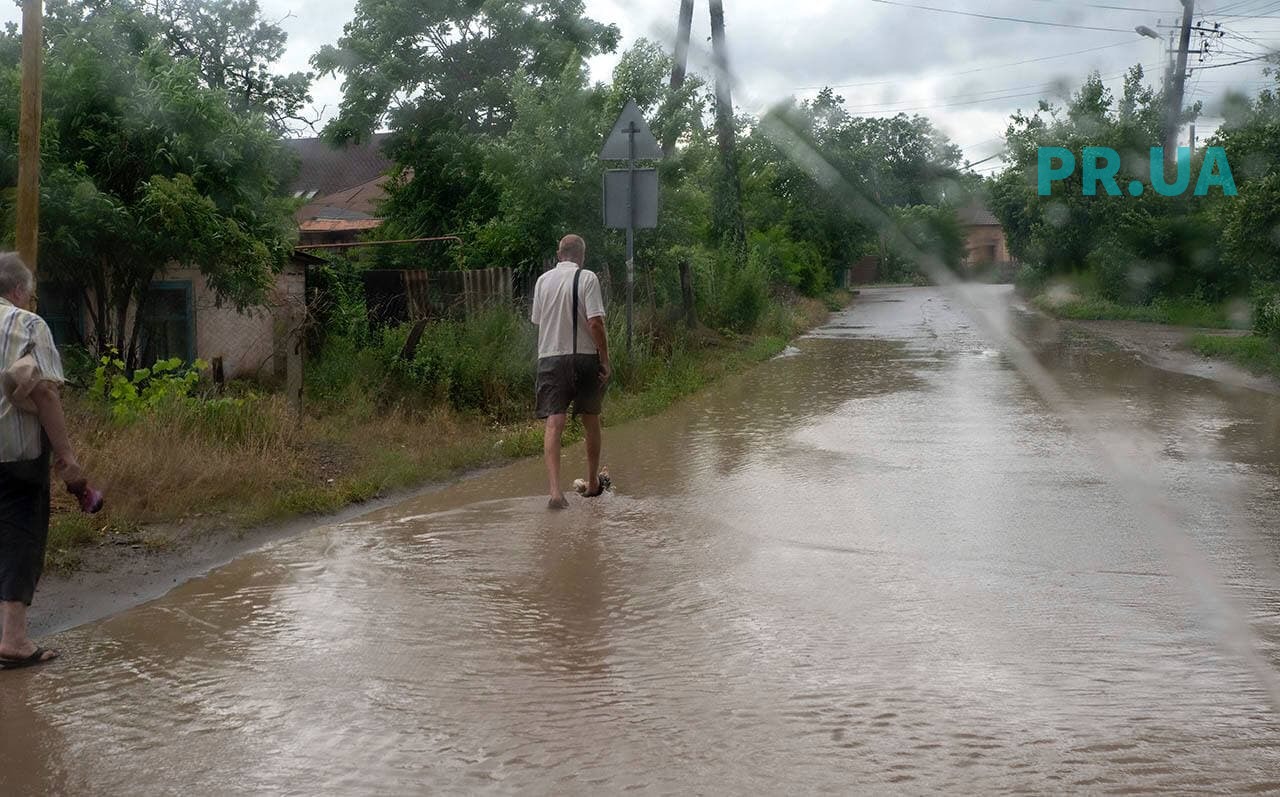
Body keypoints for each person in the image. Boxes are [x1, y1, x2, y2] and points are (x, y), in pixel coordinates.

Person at [0, 252, 85, 670]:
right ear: (18, 291)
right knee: (19, 535)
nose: (29, 301)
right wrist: (68, 458)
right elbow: (46, 393)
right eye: (29, 294)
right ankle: (13, 640)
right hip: (16, 454)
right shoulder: (29, 324)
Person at [530, 234, 611, 509]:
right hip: (584, 359)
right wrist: (606, 359)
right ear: (582, 255)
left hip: (550, 358)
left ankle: (554, 492)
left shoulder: (542, 281)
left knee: (554, 423)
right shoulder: (587, 278)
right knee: (591, 419)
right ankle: (592, 483)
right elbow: (596, 323)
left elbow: (538, 321)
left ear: (558, 253)